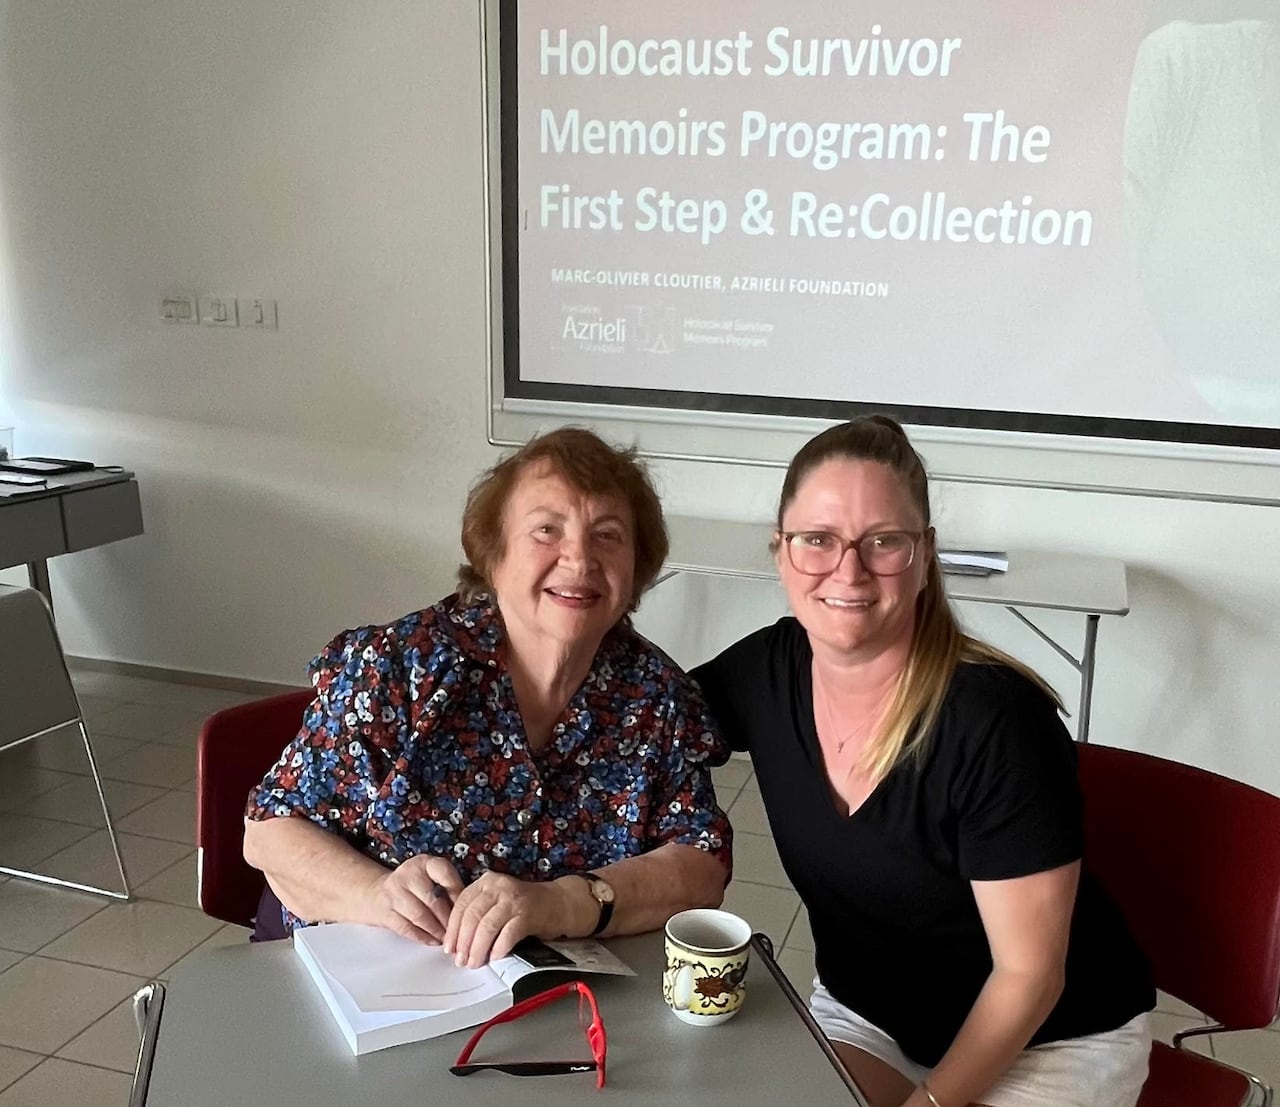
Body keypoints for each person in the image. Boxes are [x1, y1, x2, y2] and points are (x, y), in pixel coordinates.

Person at [692, 416, 1154, 1107]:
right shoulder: (768, 668)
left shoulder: (996, 724)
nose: (847, 570)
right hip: (871, 1014)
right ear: (782, 550)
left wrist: (930, 1103)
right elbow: (634, 729)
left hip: (1050, 1038)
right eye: (817, 540)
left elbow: (1030, 975)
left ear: (924, 552)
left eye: (883, 541)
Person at [243, 427, 732, 967]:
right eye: (547, 530)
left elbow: (701, 864)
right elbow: (270, 833)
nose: (580, 558)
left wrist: (562, 902)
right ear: (494, 558)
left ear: (635, 568)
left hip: (549, 991)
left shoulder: (655, 695)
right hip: (367, 978)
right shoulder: (400, 665)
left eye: (608, 535)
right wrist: (378, 896)